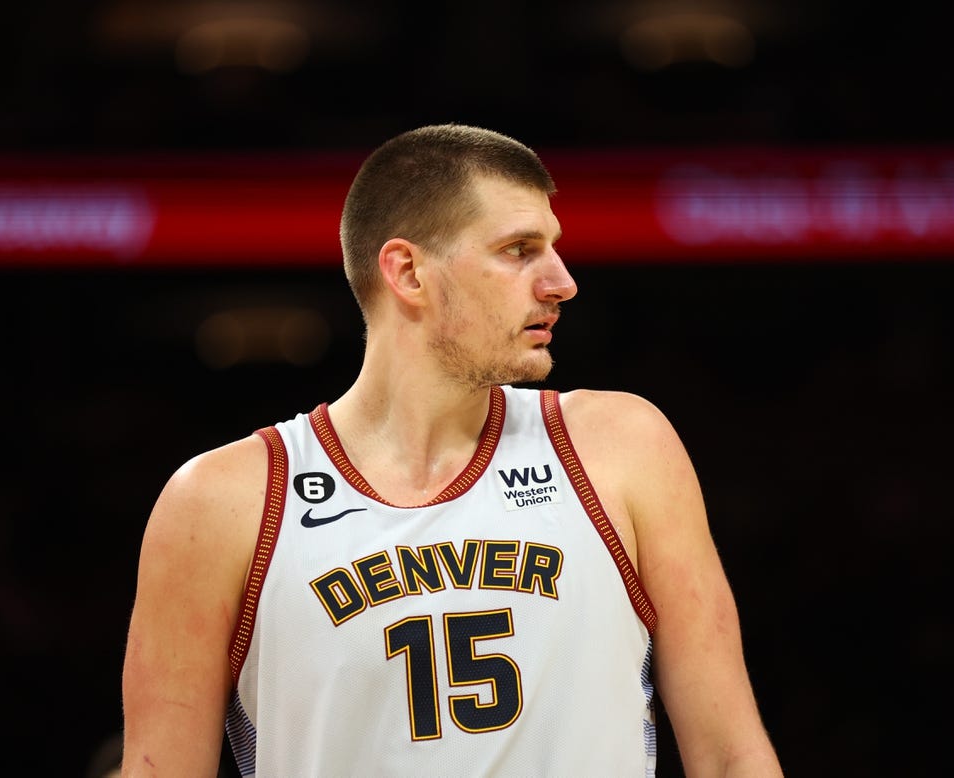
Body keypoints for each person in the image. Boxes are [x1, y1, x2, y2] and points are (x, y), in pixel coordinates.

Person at [120, 124, 782, 777]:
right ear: (408, 271)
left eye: (553, 248)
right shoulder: (220, 504)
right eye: (520, 250)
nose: (562, 281)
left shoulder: (620, 447)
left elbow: (730, 755)